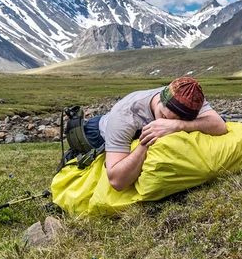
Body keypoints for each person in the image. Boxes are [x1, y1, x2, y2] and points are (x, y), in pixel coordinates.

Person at [84, 77, 227, 191]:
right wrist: (147, 141)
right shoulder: (125, 115)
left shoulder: (188, 97)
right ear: (160, 100)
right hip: (97, 135)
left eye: (177, 119)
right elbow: (117, 181)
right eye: (164, 117)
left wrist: (177, 126)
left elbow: (220, 126)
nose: (166, 123)